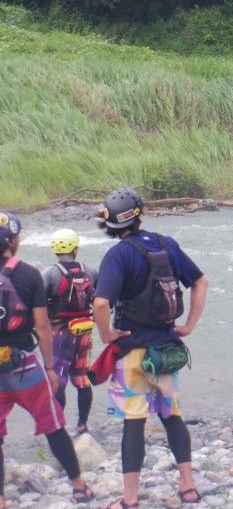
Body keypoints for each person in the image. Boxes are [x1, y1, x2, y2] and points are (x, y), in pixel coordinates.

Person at [93, 188, 209, 509]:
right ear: (139, 214)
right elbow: (201, 282)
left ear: (111, 223)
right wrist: (188, 326)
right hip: (166, 352)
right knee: (172, 416)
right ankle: (187, 486)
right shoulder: (165, 244)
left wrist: (106, 334)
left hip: (131, 353)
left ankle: (130, 498)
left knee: (134, 422)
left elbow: (101, 303)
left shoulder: (116, 256)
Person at [0, 213, 94, 506]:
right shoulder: (28, 274)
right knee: (53, 426)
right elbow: (42, 326)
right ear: (14, 241)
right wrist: (50, 368)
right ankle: (78, 487)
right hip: (25, 366)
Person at [42, 228, 99, 435]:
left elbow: (38, 304)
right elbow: (101, 301)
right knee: (82, 380)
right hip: (84, 332)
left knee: (58, 381)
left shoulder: (50, 273)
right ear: (75, 248)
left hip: (59, 333)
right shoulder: (90, 270)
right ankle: (83, 425)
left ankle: (59, 427)